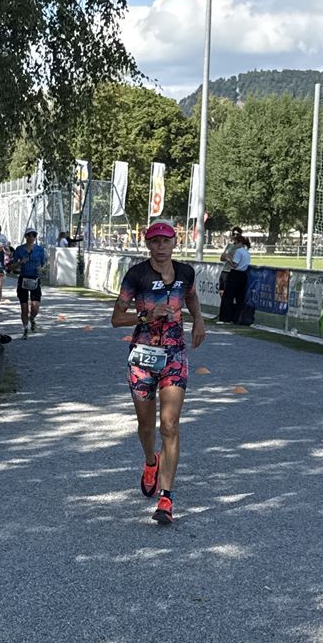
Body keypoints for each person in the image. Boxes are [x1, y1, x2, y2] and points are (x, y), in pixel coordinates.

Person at [111, 219, 205, 526]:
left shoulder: (185, 272)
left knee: (170, 424)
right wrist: (146, 316)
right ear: (148, 244)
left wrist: (199, 320)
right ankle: (151, 461)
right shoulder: (136, 275)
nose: (161, 246)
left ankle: (166, 498)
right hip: (143, 356)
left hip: (174, 354)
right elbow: (116, 318)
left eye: (166, 241)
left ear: (175, 243)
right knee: (146, 426)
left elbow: (190, 296)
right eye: (155, 241)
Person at [11, 227, 47, 336]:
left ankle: (32, 318)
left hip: (35, 279)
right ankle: (25, 329)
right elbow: (11, 266)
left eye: (34, 235)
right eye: (30, 235)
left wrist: (41, 269)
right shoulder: (19, 249)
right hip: (23, 279)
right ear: (26, 236)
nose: (32, 237)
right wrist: (20, 263)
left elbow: (44, 264)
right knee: (24, 307)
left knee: (35, 307)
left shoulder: (40, 250)